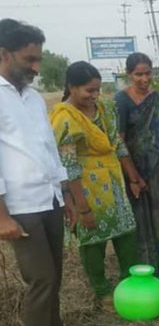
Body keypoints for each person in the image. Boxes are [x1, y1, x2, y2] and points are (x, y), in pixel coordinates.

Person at [0, 18, 75, 326]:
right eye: (29, 59)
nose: (36, 67)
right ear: (4, 54)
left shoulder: (33, 98)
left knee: (54, 277)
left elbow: (49, 149)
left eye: (38, 59)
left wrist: (65, 194)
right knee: (41, 281)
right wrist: (2, 216)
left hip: (50, 199)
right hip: (21, 207)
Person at [49, 62, 140, 310]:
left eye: (98, 89)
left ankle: (131, 283)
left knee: (126, 232)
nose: (94, 96)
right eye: (89, 90)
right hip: (85, 188)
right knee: (92, 239)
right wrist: (83, 207)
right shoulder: (65, 118)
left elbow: (117, 145)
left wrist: (133, 176)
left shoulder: (105, 109)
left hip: (113, 181)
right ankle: (101, 291)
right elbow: (69, 166)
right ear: (71, 87)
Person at [114, 53, 159, 283]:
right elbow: (119, 141)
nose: (144, 79)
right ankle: (148, 271)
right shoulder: (121, 101)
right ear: (129, 74)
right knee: (143, 219)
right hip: (135, 169)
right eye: (138, 74)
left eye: (147, 73)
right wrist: (133, 177)